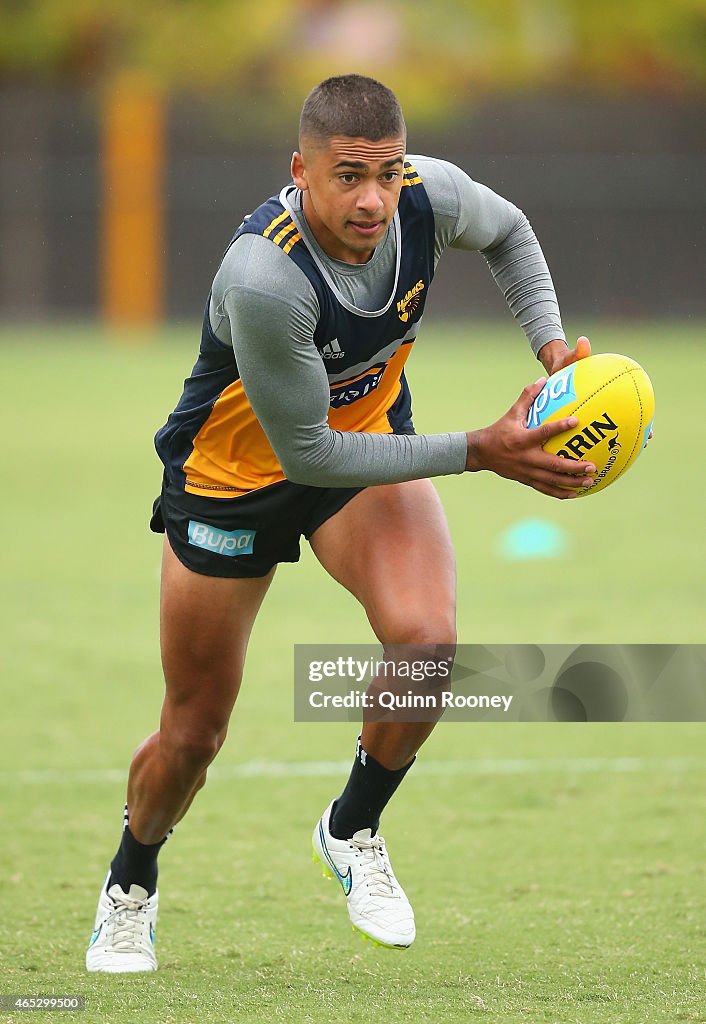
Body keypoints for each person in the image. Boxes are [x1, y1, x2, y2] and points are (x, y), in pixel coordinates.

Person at [86, 74, 596, 972]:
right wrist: (482, 449)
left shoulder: (424, 198)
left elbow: (509, 232)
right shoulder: (264, 278)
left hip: (365, 453)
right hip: (235, 482)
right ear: (302, 171)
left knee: (427, 644)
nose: (373, 199)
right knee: (194, 732)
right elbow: (309, 456)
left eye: (387, 174)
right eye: (349, 176)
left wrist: (553, 352)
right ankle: (131, 879)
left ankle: (351, 829)